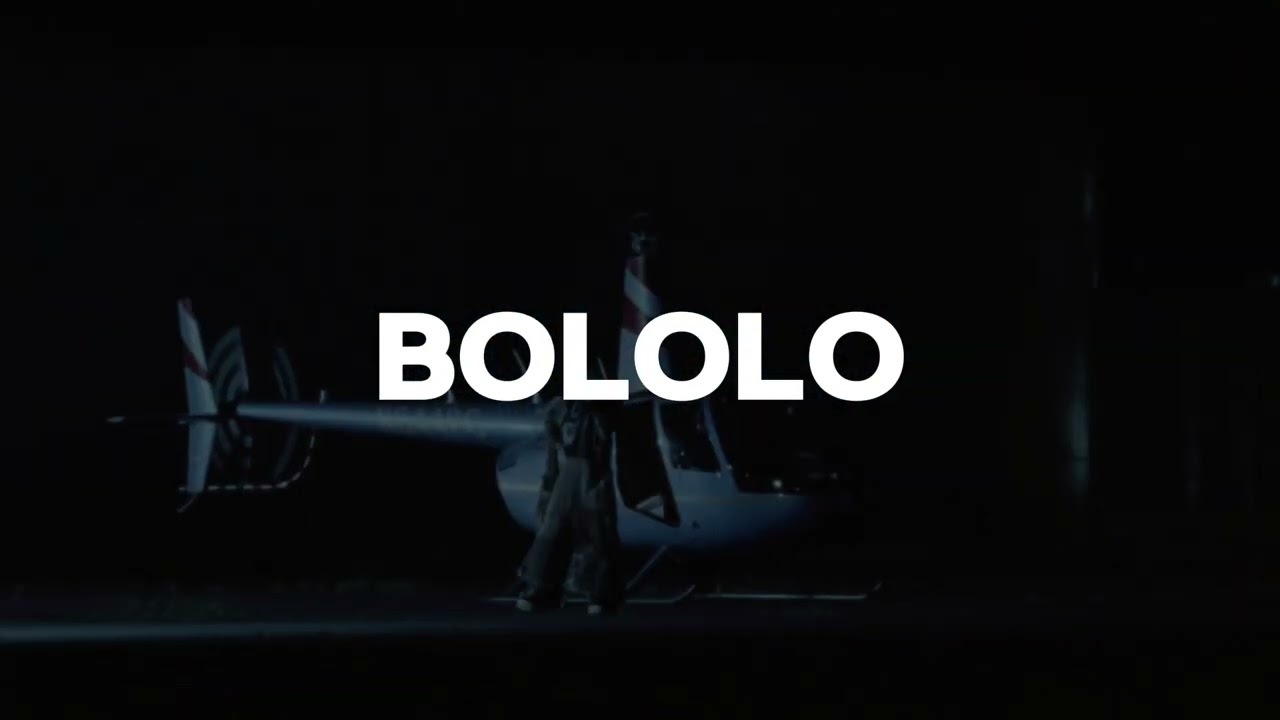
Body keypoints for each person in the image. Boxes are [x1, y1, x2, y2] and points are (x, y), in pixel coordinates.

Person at [517, 396, 622, 615]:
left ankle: (600, 591)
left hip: (593, 471)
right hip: (574, 469)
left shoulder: (604, 406)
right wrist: (549, 482)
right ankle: (543, 586)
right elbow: (553, 450)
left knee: (598, 531)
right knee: (555, 527)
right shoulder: (560, 408)